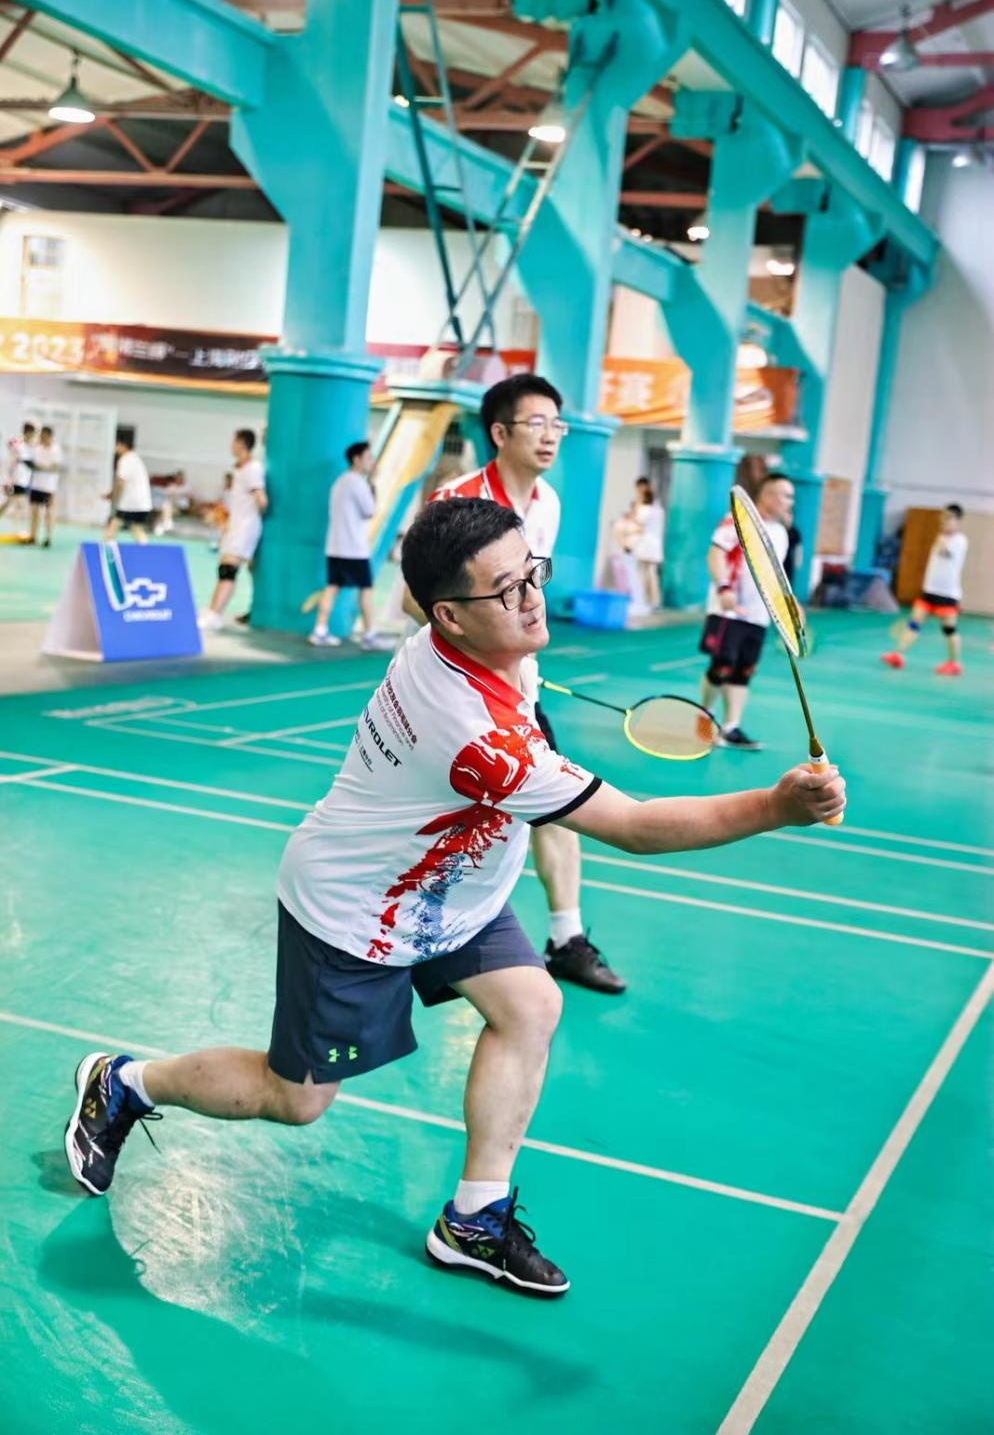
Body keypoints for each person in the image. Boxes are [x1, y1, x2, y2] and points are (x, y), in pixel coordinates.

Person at [63, 496, 845, 1297]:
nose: (532, 598)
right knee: (294, 1101)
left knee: (530, 1007)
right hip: (358, 912)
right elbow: (637, 828)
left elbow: (436, 598)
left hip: (453, 890)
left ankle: (474, 1220)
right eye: (507, 590)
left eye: (533, 574)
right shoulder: (480, 739)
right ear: (451, 616)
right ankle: (125, 1082)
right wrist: (775, 808)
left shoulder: (467, 641)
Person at [423, 372, 624, 994]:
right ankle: (415, 927)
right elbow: (416, 600)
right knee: (435, 817)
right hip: (452, 691)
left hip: (518, 690)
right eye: (536, 423)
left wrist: (515, 659)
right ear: (499, 433)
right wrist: (484, 650)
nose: (550, 436)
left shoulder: (549, 503)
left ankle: (566, 938)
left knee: (556, 806)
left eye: (557, 424)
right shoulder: (456, 500)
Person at [699, 472, 795, 750]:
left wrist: (790, 603)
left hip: (758, 615)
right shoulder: (738, 521)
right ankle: (704, 719)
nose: (790, 501)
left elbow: (775, 575)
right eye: (786, 495)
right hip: (729, 611)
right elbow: (715, 553)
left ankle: (731, 728)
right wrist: (724, 588)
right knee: (721, 667)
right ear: (768, 495)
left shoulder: (780, 532)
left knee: (744, 671)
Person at [308, 440, 391, 651]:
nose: (371, 462)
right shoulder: (358, 483)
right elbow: (370, 511)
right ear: (356, 459)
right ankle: (369, 635)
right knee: (366, 591)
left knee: (331, 588)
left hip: (335, 547)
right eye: (368, 457)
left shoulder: (340, 481)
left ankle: (319, 630)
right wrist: (373, 483)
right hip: (354, 550)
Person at [882, 504, 968, 676]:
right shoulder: (941, 536)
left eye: (949, 518)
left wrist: (942, 541)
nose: (944, 521)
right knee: (914, 622)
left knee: (949, 630)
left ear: (958, 521)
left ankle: (954, 663)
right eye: (943, 517)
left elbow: (946, 554)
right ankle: (898, 655)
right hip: (930, 591)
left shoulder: (960, 541)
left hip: (947, 594)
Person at [198, 430, 267, 632]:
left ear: (241, 443)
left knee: (229, 569)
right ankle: (212, 610)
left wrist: (250, 517)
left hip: (245, 527)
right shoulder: (240, 468)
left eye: (234, 441)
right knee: (225, 568)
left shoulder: (253, 469)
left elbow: (262, 500)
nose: (231, 445)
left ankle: (215, 615)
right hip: (236, 526)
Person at [104, 434, 152, 544]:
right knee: (136, 529)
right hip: (144, 503)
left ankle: (107, 549)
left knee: (113, 527)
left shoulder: (125, 460)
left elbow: (120, 482)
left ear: (122, 446)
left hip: (130, 502)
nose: (115, 448)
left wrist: (113, 495)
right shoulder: (136, 458)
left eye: (117, 445)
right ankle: (145, 549)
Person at [26, 424, 62, 548]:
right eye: (41, 436)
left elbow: (56, 467)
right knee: (34, 512)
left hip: (49, 487)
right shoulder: (37, 448)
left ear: (50, 436)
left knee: (48, 512)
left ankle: (48, 537)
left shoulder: (55, 449)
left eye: (44, 436)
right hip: (36, 484)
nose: (42, 438)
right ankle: (33, 536)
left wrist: (42, 467)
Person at [632, 476, 664, 611]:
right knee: (646, 573)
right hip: (649, 542)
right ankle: (648, 600)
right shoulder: (656, 506)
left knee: (650, 573)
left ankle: (653, 601)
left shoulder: (647, 507)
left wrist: (635, 510)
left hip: (648, 543)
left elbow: (639, 523)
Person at [0, 421, 35, 532]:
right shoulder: (19, 443)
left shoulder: (31, 446)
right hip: (17, 478)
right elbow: (10, 443)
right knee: (14, 502)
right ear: (28, 432)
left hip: (25, 479)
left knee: (16, 503)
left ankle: (18, 527)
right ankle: (18, 527)